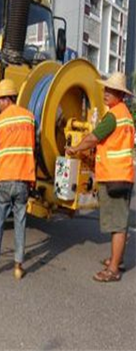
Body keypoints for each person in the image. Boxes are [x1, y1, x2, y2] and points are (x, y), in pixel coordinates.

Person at [67, 72, 134, 283]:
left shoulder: (114, 116)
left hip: (116, 176)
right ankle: (117, 260)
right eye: (105, 89)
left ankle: (113, 270)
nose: (105, 93)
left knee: (117, 224)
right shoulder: (125, 114)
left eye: (109, 90)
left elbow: (94, 137)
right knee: (118, 221)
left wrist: (76, 148)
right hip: (121, 174)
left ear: (119, 94)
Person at [0, 79, 36, 279]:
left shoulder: (0, 121)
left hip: (4, 178)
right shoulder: (29, 118)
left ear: (7, 99)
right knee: (20, 222)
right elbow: (33, 147)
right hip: (23, 179)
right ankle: (18, 266)